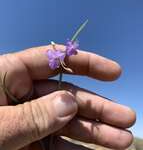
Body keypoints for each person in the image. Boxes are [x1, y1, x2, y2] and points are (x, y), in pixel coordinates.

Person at [0, 44, 136, 150]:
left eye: (72, 48)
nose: (73, 50)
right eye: (71, 48)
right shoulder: (55, 58)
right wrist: (36, 118)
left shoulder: (61, 56)